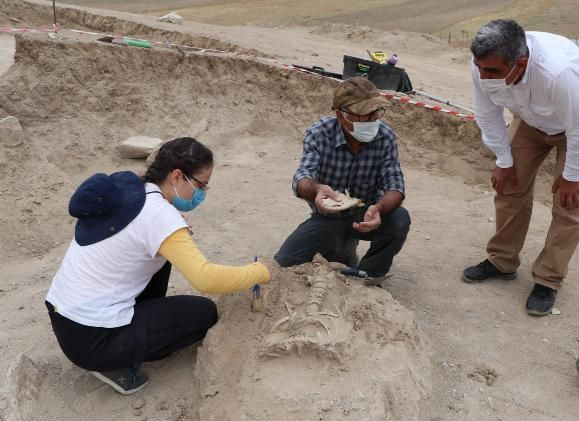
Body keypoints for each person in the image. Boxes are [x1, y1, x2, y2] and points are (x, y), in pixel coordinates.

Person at [45, 137, 272, 394]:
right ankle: (115, 364)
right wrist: (261, 271)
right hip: (94, 341)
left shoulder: (134, 190)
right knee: (204, 313)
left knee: (161, 257)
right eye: (201, 185)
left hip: (65, 317)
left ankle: (127, 332)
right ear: (177, 177)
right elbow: (206, 280)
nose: (202, 194)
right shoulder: (159, 216)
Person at [462, 19, 579, 315]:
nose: (484, 77)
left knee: (569, 203)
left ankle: (548, 279)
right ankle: (502, 260)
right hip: (532, 118)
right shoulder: (483, 65)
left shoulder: (558, 72)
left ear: (520, 63)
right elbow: (487, 114)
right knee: (509, 186)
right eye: (480, 68)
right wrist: (504, 160)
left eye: (493, 72)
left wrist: (572, 176)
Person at [274, 77, 410, 278]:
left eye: (377, 112)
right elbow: (302, 177)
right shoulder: (320, 132)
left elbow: (395, 185)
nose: (374, 119)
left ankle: (370, 273)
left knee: (399, 219)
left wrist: (378, 209)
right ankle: (342, 247)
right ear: (342, 116)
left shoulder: (385, 136)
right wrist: (317, 190)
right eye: (365, 114)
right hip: (329, 217)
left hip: (367, 214)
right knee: (282, 264)